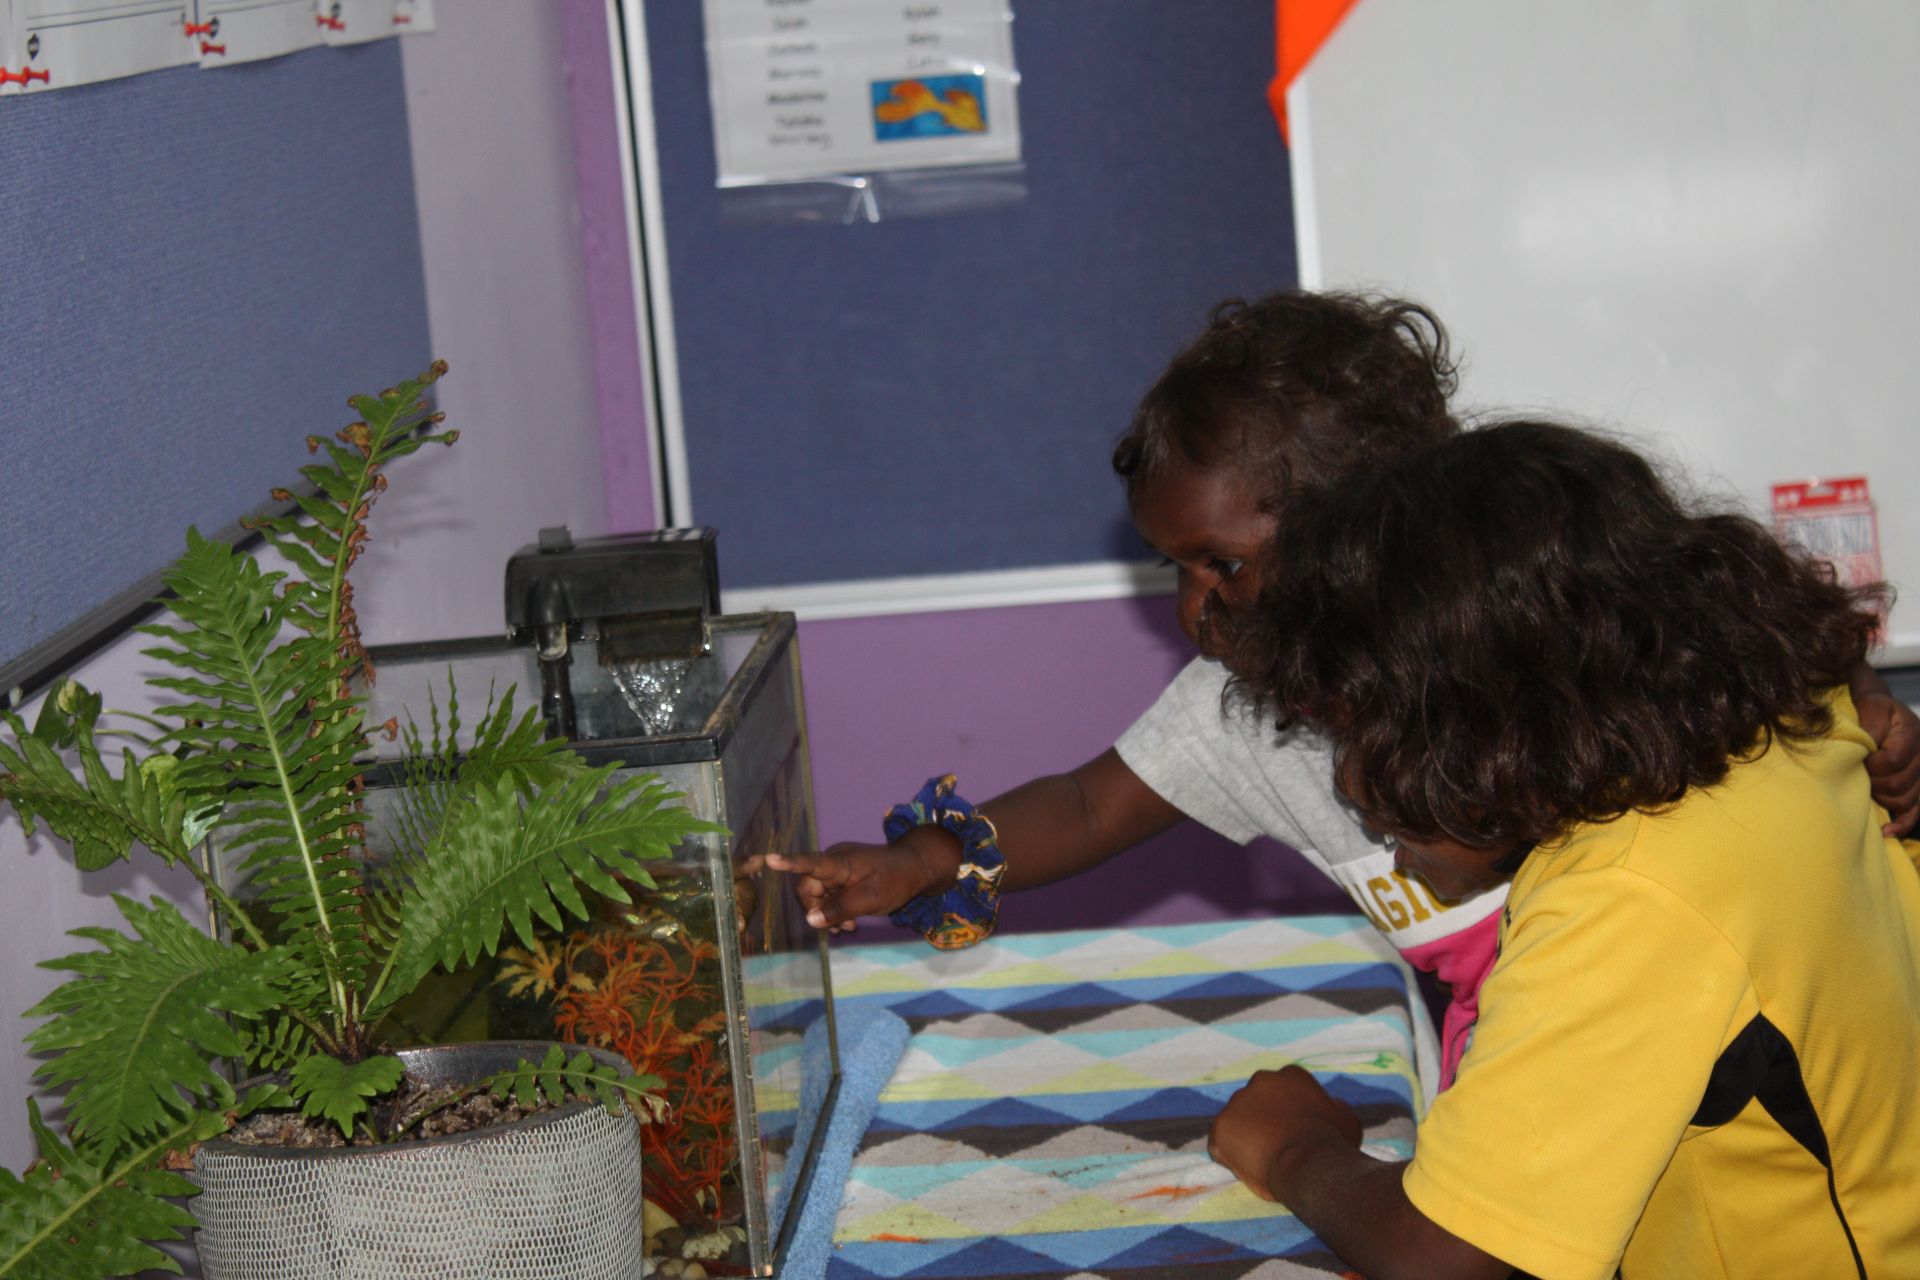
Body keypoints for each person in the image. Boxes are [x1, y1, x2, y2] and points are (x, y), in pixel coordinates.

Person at [764, 291, 1920, 1089]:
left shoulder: (1516, 634)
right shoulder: (1240, 708)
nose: (1193, 609)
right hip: (1519, 1042)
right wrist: (923, 861)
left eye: (1223, 562)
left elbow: (1725, 614)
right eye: (1173, 567)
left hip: (1680, 1027)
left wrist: (1863, 699)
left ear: (1366, 529)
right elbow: (1083, 803)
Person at [1207, 420, 1920, 1279]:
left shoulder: (1628, 896)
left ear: (1483, 727)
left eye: (1366, 735)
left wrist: (1296, 1148)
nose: (1361, 797)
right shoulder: (1783, 731)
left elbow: (1444, 1257)